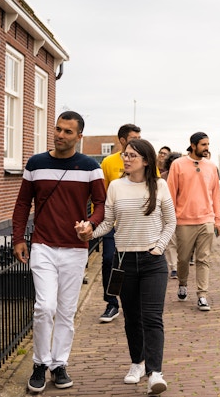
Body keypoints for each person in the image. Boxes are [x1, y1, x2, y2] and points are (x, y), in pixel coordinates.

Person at [12, 111, 106, 393]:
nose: (60, 135)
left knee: (65, 311)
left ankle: (59, 364)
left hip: (75, 249)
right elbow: (21, 204)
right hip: (42, 245)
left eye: (67, 132)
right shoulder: (36, 163)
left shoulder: (90, 166)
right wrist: (19, 238)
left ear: (79, 137)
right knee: (45, 307)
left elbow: (101, 204)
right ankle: (40, 363)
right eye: (58, 129)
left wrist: (90, 224)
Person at [81, 139, 175, 396]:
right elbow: (108, 223)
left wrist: (160, 246)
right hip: (124, 262)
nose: (126, 159)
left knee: (152, 317)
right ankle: (138, 363)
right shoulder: (115, 187)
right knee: (132, 317)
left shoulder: (160, 185)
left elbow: (170, 221)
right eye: (125, 155)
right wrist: (88, 232)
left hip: (152, 261)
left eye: (132, 155)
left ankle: (155, 372)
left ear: (146, 160)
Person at [167, 132, 220, 311]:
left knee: (203, 259)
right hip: (184, 220)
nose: (207, 148)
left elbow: (216, 195)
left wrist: (217, 219)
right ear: (193, 145)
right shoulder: (178, 165)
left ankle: (202, 295)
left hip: (206, 220)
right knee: (183, 259)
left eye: (208, 144)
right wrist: (170, 219)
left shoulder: (211, 167)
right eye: (203, 145)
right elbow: (171, 193)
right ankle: (182, 283)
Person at [98, 124, 142, 323]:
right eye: (134, 137)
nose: (138, 140)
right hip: (113, 222)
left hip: (136, 223)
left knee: (135, 262)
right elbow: (101, 194)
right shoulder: (108, 162)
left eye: (140, 137)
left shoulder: (145, 161)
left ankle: (135, 300)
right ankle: (112, 303)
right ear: (122, 140)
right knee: (109, 260)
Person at [162, 151, 182, 279]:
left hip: (183, 212)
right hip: (167, 212)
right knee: (171, 241)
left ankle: (181, 264)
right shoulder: (163, 177)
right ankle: (174, 267)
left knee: (183, 241)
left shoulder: (185, 175)